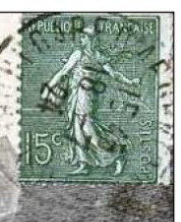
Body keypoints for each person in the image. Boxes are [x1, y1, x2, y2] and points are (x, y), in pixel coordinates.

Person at [41, 25, 140, 175]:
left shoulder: (92, 55)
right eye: (82, 37)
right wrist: (50, 87)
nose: (82, 39)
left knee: (88, 128)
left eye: (84, 37)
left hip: (87, 95)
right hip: (77, 94)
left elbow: (114, 74)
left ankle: (117, 153)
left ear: (91, 39)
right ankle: (84, 164)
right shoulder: (81, 54)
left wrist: (130, 82)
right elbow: (63, 72)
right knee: (77, 128)